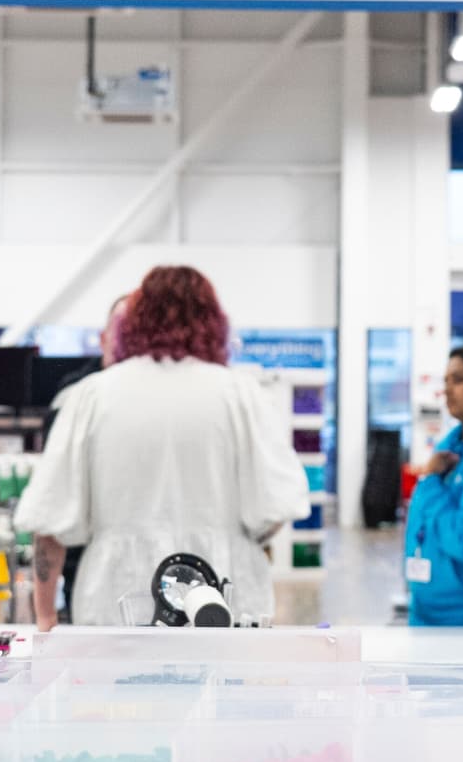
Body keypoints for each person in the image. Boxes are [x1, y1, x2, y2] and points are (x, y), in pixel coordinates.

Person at [18, 265, 302, 626]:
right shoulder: (241, 394)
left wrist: (45, 620)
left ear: (134, 322)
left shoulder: (91, 395)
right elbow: (274, 511)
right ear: (214, 322)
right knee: (220, 680)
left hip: (116, 597)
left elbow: (49, 521)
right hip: (221, 594)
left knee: (114, 682)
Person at [401, 345, 463, 629]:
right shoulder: (448, 447)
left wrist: (431, 481)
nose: (448, 390)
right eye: (446, 381)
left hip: (461, 621)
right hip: (424, 615)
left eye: (460, 380)